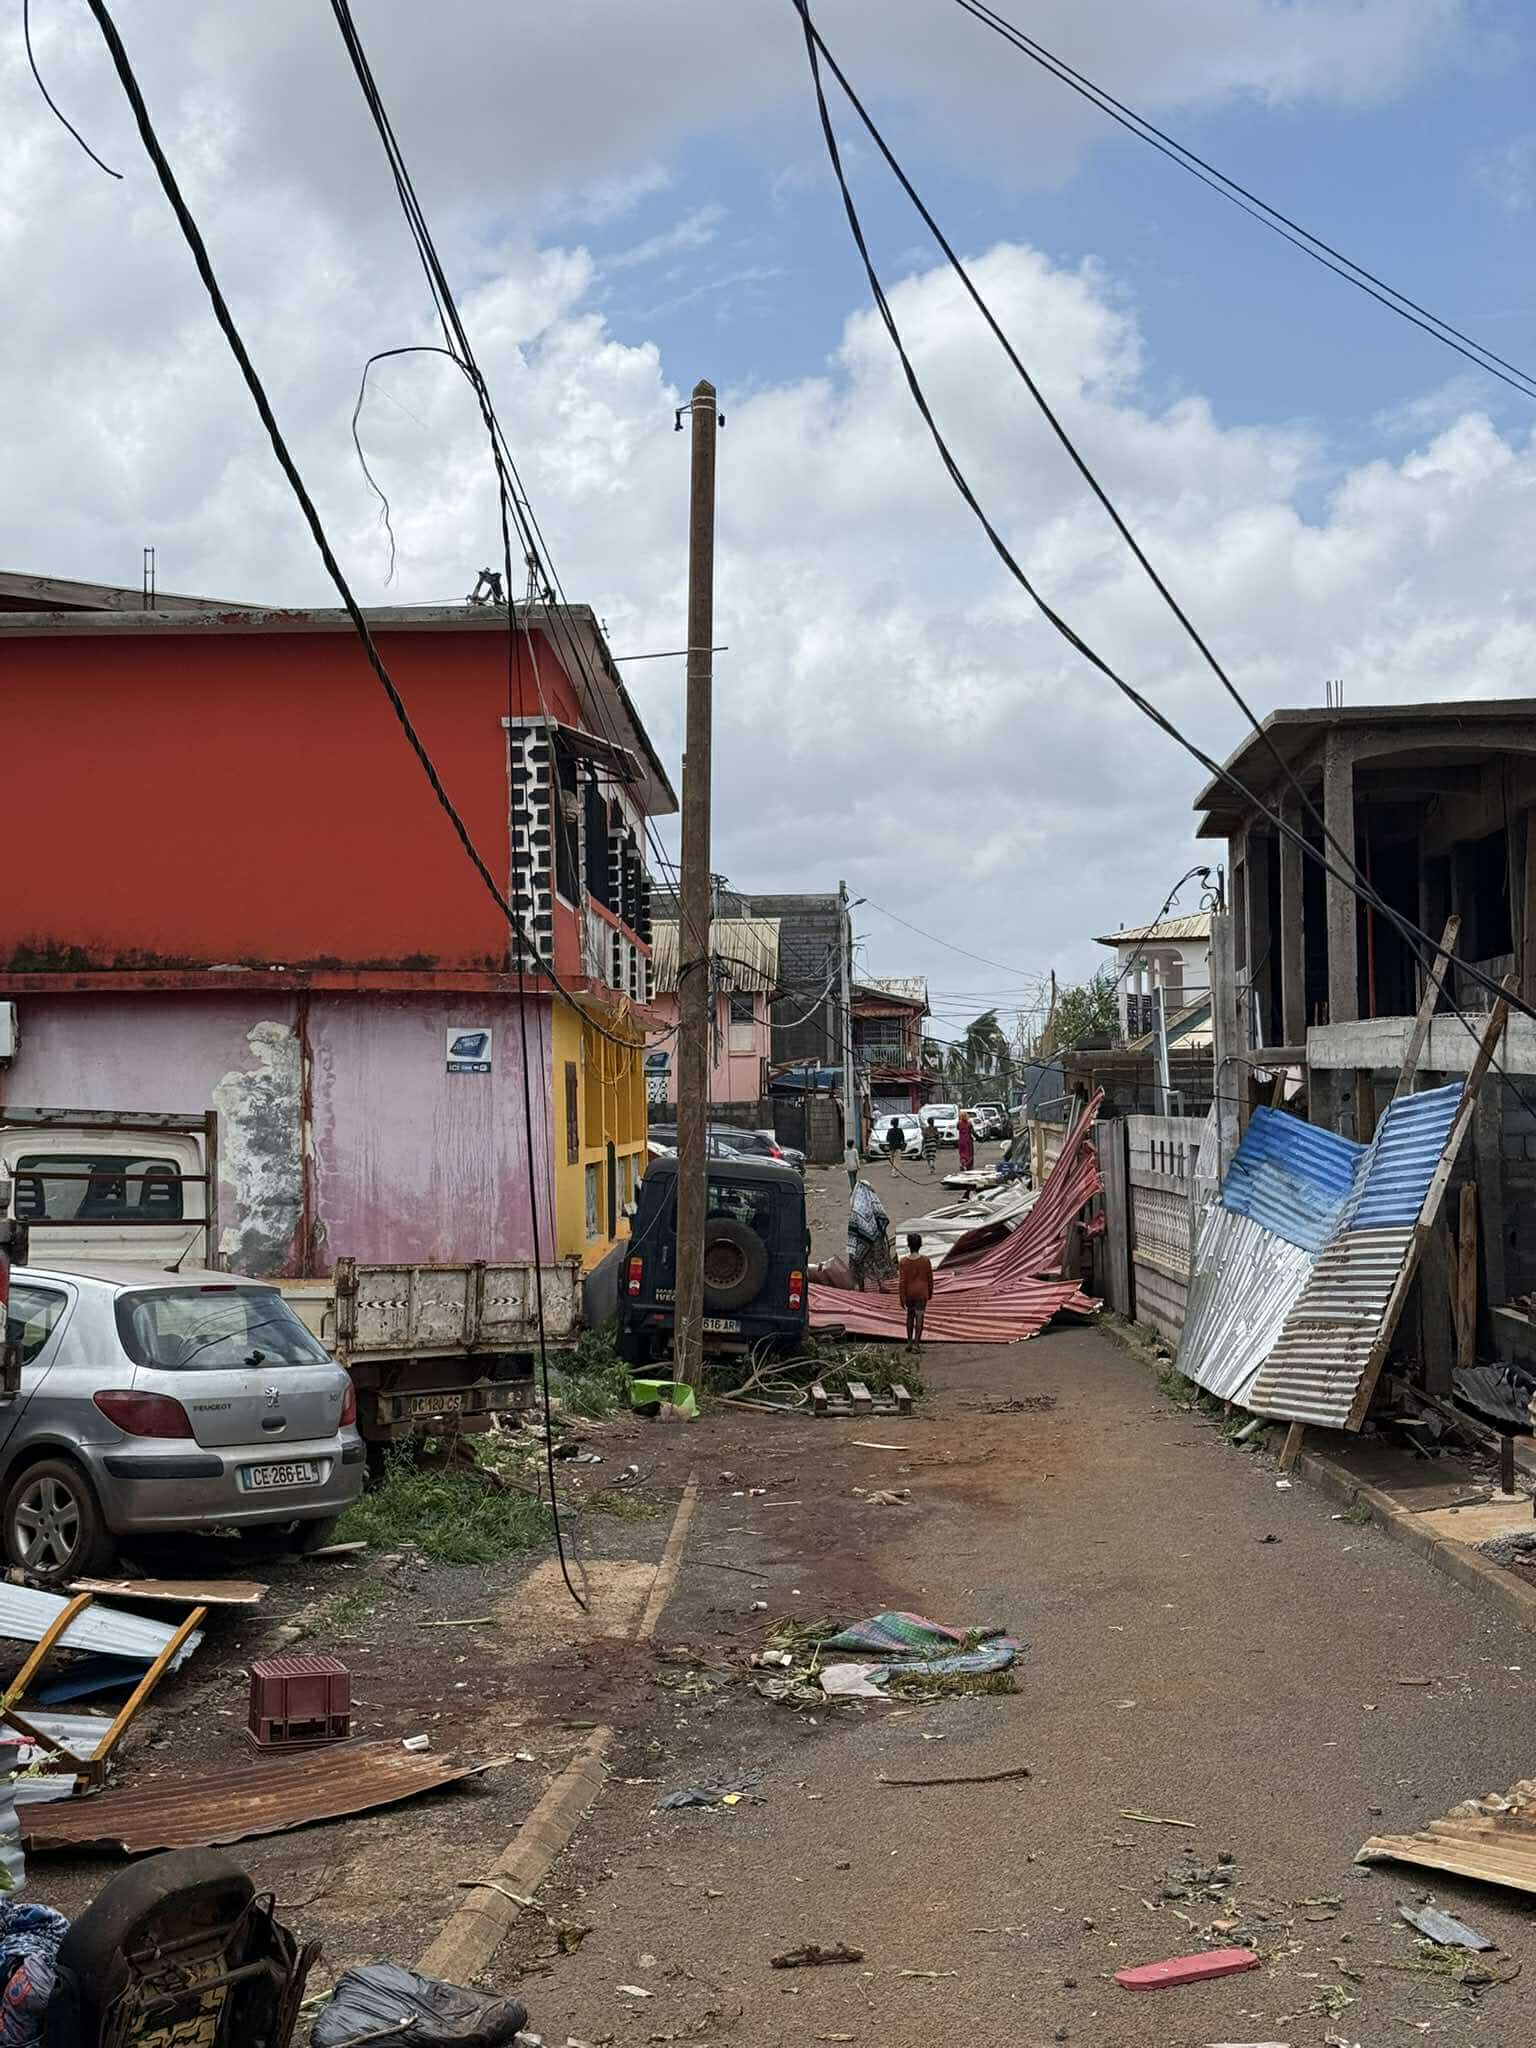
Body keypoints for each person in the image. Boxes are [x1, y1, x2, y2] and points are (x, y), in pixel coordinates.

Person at [847, 1177, 894, 1291]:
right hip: (876, 1241)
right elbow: (883, 1217)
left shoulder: (855, 1210)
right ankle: (881, 1285)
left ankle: (861, 1286)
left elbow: (852, 1230)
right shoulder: (874, 1203)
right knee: (877, 1263)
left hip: (861, 1243)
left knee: (861, 1264)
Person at [898, 1231, 934, 1350]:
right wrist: (930, 1292)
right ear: (920, 1245)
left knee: (910, 1316)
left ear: (908, 1245)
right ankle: (916, 1344)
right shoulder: (925, 1261)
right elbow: (930, 1278)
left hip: (909, 1293)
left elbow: (902, 1281)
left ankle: (909, 1342)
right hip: (921, 1293)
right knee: (919, 1316)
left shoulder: (903, 1262)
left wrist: (902, 1297)